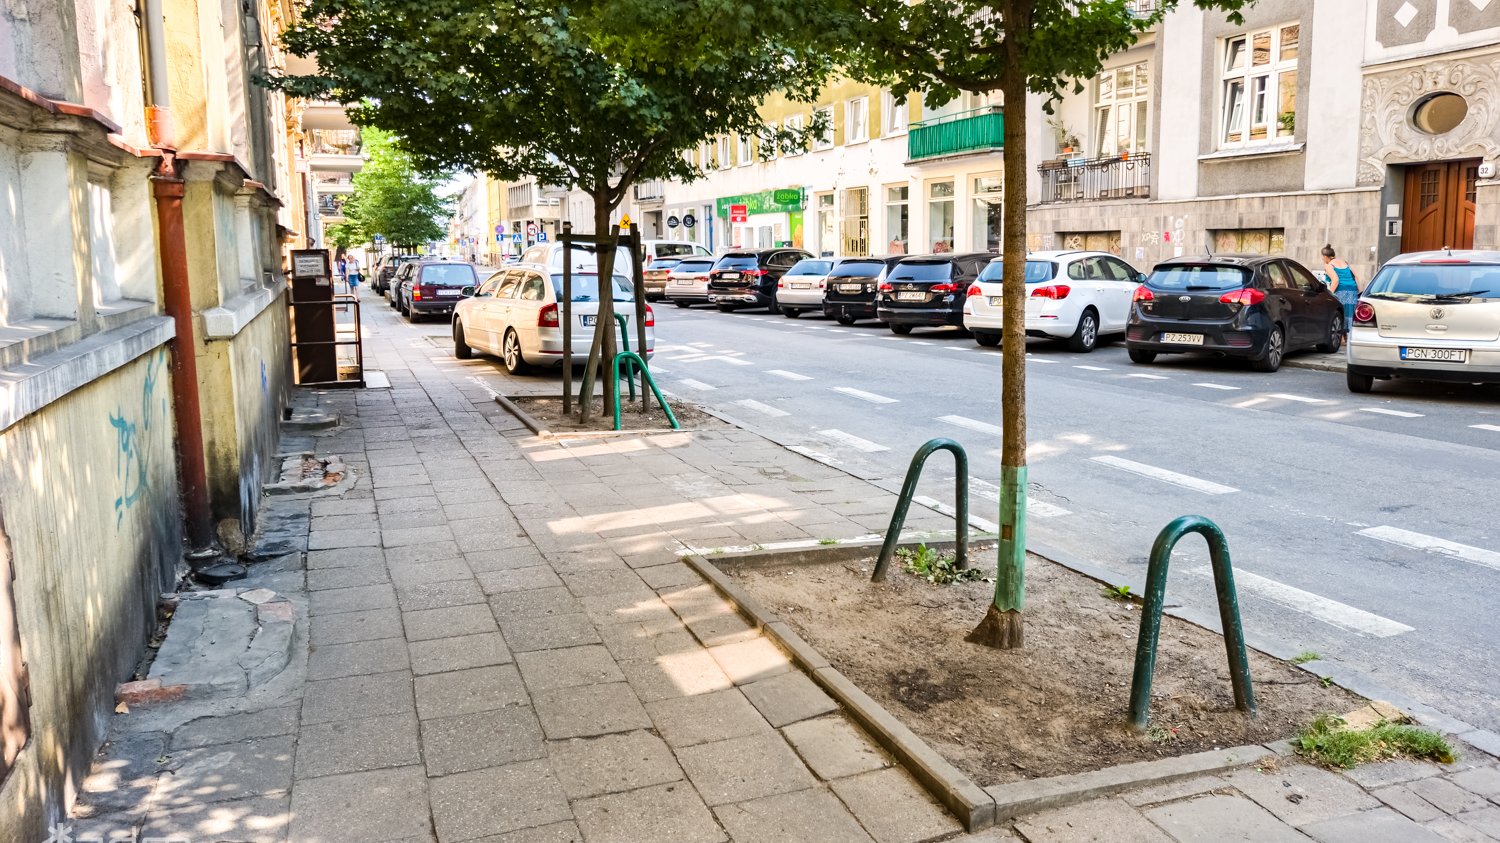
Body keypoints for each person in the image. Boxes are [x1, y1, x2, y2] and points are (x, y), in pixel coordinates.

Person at [1321, 244, 1357, 335]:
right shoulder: (1345, 262)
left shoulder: (1329, 265)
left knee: (1339, 312)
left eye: (1322, 257)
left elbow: (1335, 280)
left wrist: (1330, 295)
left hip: (1341, 289)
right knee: (1349, 313)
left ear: (1325, 257)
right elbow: (1356, 276)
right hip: (1353, 289)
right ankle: (1348, 336)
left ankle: (1339, 337)